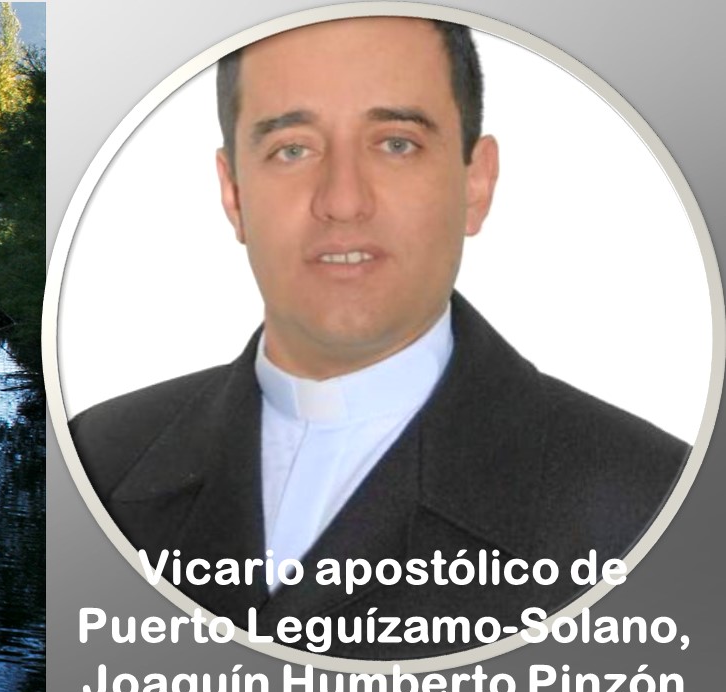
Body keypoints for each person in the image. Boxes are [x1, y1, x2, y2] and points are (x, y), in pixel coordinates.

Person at [68, 16, 688, 659]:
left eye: (396, 143)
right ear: (233, 194)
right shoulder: (96, 461)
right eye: (293, 149)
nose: (342, 200)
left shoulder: (654, 503)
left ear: (476, 182)